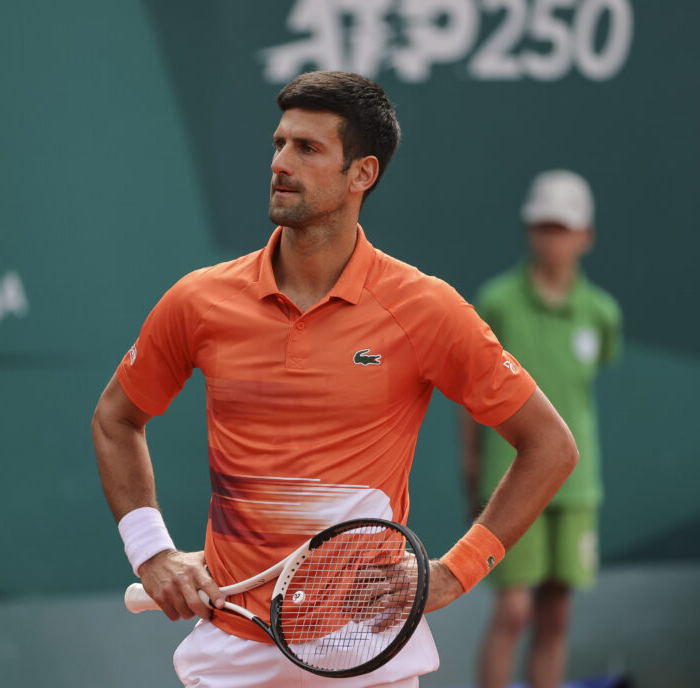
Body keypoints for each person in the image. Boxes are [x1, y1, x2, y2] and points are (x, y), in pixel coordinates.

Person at [92, 71, 578, 688]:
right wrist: (152, 552)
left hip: (368, 654)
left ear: (362, 174)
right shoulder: (199, 301)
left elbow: (550, 446)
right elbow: (115, 418)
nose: (280, 163)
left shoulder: (425, 309)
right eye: (279, 144)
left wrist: (454, 573)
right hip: (229, 654)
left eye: (308, 148)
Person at [460, 170, 622, 688]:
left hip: (576, 486)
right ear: (531, 229)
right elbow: (471, 398)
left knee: (556, 616)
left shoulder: (601, 314)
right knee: (513, 612)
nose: (554, 238)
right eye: (544, 226)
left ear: (586, 236)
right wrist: (473, 471)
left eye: (564, 227)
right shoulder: (497, 302)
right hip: (509, 482)